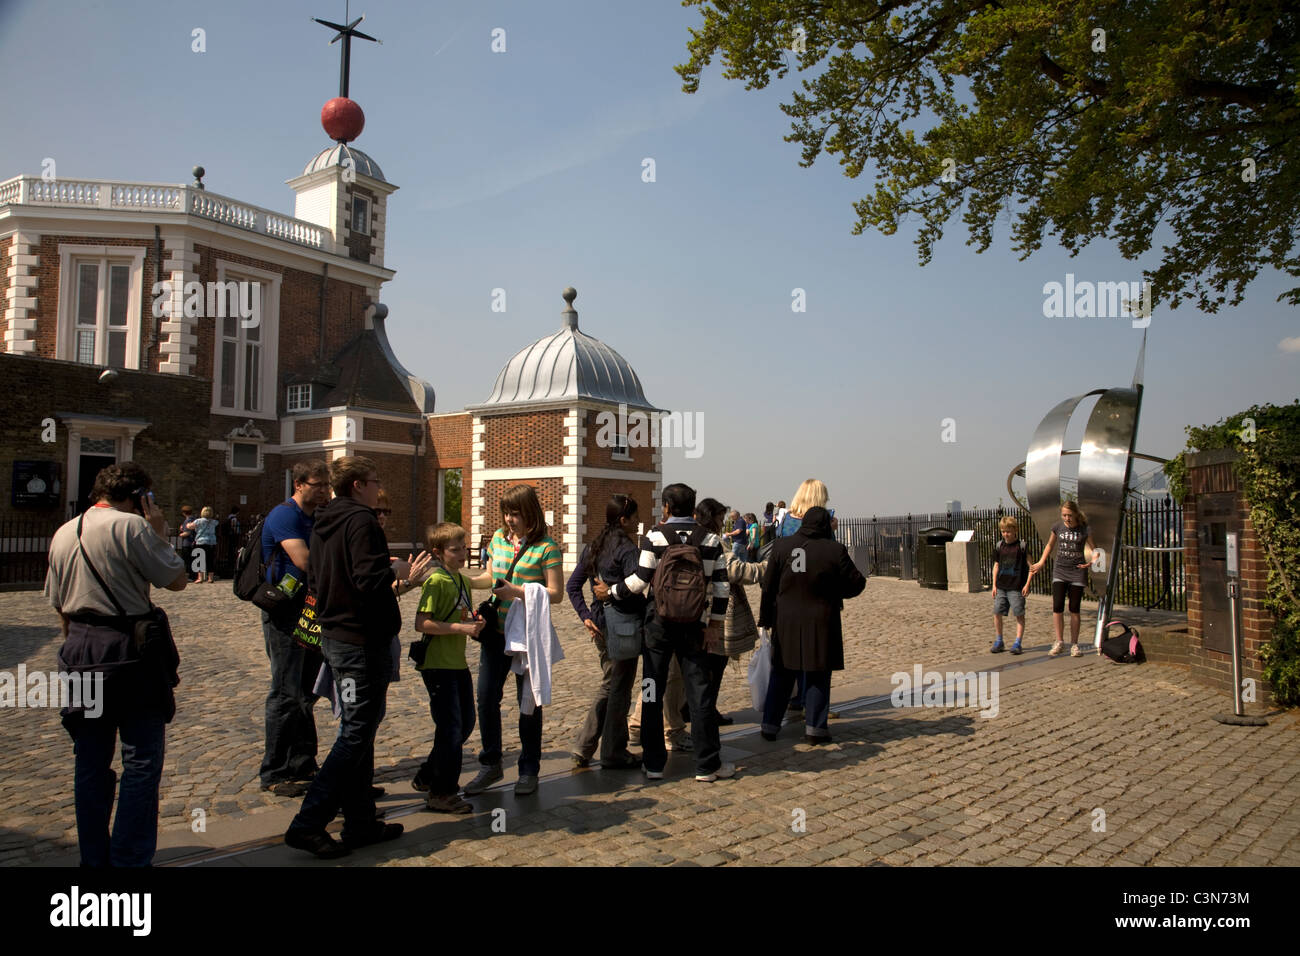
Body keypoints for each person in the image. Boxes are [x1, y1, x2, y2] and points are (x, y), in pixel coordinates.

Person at [44, 462, 188, 866]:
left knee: (90, 761)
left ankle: (93, 858)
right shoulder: (133, 527)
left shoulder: (63, 531)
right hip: (127, 651)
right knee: (141, 760)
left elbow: (59, 603)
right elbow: (175, 579)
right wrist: (159, 532)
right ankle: (129, 858)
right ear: (141, 498)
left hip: (79, 648)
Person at [284, 457, 409, 859]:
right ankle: (308, 823)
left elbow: (317, 578)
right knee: (355, 732)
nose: (378, 490)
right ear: (358, 485)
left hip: (336, 636)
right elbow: (368, 580)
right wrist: (400, 572)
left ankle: (360, 822)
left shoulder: (325, 519)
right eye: (374, 482)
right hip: (359, 642)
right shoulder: (361, 521)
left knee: (361, 730)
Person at [600, 483, 731, 783]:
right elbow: (722, 587)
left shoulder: (654, 537)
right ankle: (707, 765)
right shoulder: (710, 539)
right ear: (694, 508)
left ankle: (654, 762)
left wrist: (611, 591)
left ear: (667, 508)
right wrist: (714, 625)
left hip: (658, 625)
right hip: (695, 625)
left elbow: (639, 579)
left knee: (651, 691)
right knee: (699, 694)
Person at [461, 484, 564, 797]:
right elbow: (488, 578)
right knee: (486, 697)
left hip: (526, 639)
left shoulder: (547, 547)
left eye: (515, 513)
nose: (509, 519)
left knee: (527, 705)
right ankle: (491, 763)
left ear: (530, 512)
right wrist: (456, 575)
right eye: (506, 513)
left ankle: (528, 768)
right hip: (495, 634)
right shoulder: (497, 539)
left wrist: (518, 592)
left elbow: (556, 594)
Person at [759, 506, 866, 744]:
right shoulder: (834, 549)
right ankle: (815, 729)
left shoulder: (782, 546)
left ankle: (770, 725)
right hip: (820, 619)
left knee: (782, 673)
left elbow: (767, 586)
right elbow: (857, 583)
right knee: (818, 673)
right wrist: (835, 591)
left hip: (786, 619)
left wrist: (765, 617)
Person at [258, 460, 331, 797]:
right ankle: (274, 771)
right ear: (299, 484)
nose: (324, 489)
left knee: (305, 692)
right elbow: (304, 561)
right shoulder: (284, 515)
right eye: (318, 484)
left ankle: (302, 763)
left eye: (326, 483)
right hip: (285, 613)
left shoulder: (317, 515)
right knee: (285, 692)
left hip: (309, 611)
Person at [568, 494, 645, 771]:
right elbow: (633, 592)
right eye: (634, 518)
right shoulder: (627, 551)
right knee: (618, 688)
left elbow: (573, 586)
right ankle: (611, 750)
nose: (637, 523)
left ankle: (586, 747)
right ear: (623, 520)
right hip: (622, 627)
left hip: (600, 624)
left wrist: (586, 616)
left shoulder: (594, 547)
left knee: (611, 682)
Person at [411, 522, 484, 813]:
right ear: (438, 553)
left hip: (458, 662)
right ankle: (442, 792)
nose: (462, 554)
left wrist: (476, 623)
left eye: (464, 548)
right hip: (438, 664)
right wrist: (459, 628)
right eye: (455, 550)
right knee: (451, 728)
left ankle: (428, 775)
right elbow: (422, 623)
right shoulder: (436, 581)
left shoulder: (462, 580)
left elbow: (463, 614)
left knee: (464, 724)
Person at [695, 498, 765, 728]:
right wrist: (764, 569)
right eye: (720, 518)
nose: (722, 522)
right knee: (714, 664)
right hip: (716, 610)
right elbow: (734, 570)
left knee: (703, 664)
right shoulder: (713, 541)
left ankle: (692, 707)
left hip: (696, 608)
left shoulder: (693, 536)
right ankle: (705, 710)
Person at [1030, 500, 1096, 657]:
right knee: (1057, 606)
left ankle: (1074, 644)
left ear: (1075, 514)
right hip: (1060, 570)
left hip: (1077, 571)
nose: (1066, 518)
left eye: (1069, 515)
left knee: (1074, 608)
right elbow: (1049, 546)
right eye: (1064, 515)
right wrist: (1041, 561)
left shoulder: (1084, 529)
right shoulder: (1057, 527)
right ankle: (1059, 641)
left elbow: (1095, 549)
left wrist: (1092, 561)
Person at [990, 515, 1035, 655]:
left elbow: (1031, 566)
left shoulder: (1021, 546)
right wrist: (994, 585)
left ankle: (1017, 641)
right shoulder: (999, 546)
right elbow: (996, 565)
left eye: (1008, 531)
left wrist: (1027, 584)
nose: (1006, 534)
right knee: (997, 612)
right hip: (1002, 585)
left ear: (1015, 530)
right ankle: (999, 639)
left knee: (1018, 614)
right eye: (1003, 531)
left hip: (1016, 586)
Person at [190, 506, 218, 583]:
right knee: (210, 560)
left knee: (200, 560)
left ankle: (200, 577)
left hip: (201, 542)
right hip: (211, 542)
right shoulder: (214, 522)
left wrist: (186, 525)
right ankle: (210, 578)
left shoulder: (198, 521)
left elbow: (190, 526)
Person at [176, 504, 195, 576]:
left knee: (187, 560)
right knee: (191, 559)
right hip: (192, 542)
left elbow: (187, 533)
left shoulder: (188, 520)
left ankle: (188, 574)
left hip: (187, 542)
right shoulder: (194, 519)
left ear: (184, 513)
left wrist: (180, 535)